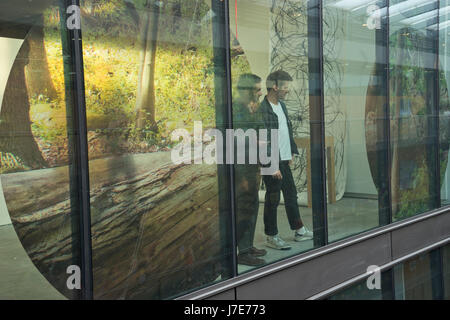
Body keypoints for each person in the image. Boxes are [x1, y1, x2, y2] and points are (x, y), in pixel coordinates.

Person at [259, 70, 313, 250]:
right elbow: (262, 139)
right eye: (285, 87)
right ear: (275, 87)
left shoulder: (281, 106)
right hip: (272, 161)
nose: (287, 91)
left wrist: (289, 154)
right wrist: (272, 165)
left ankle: (299, 230)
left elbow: (286, 132)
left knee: (291, 194)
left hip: (283, 158)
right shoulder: (263, 110)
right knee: (272, 198)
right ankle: (272, 236)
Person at [233, 73, 267, 266]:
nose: (260, 92)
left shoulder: (253, 108)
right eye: (257, 89)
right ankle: (241, 250)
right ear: (246, 90)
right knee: (243, 207)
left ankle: (247, 246)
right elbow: (234, 136)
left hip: (253, 164)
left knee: (253, 205)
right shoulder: (234, 108)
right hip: (240, 166)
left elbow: (260, 131)